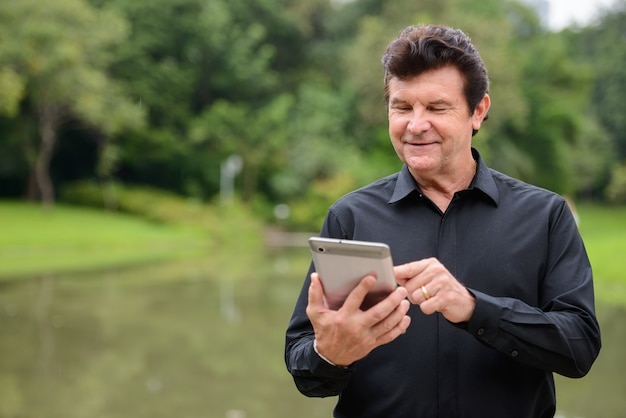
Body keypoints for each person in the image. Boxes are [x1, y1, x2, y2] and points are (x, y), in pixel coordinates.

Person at [284, 24, 601, 418]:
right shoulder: (350, 216)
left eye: (436, 108)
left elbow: (580, 347)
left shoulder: (545, 216)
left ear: (478, 111)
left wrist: (474, 308)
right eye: (402, 107)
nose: (415, 125)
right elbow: (304, 369)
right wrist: (329, 353)